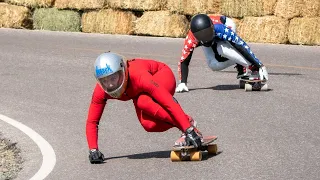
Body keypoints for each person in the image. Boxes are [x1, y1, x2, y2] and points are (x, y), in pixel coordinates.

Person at [86, 52, 204, 164]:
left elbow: (169, 102)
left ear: (123, 71)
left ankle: (188, 124)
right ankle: (187, 121)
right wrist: (93, 150)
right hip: (140, 92)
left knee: (143, 102)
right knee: (148, 125)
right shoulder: (101, 90)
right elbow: (92, 121)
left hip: (162, 75)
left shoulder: (139, 75)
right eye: (105, 81)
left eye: (113, 78)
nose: (110, 85)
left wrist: (188, 129)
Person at [176, 14, 269, 92]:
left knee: (222, 49)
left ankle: (251, 67)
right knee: (213, 65)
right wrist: (183, 83)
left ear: (212, 28)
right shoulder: (191, 39)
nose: (206, 38)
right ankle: (239, 63)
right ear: (195, 36)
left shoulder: (221, 29)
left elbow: (241, 46)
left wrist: (258, 65)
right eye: (202, 36)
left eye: (208, 33)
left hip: (226, 24)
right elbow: (184, 60)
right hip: (212, 33)